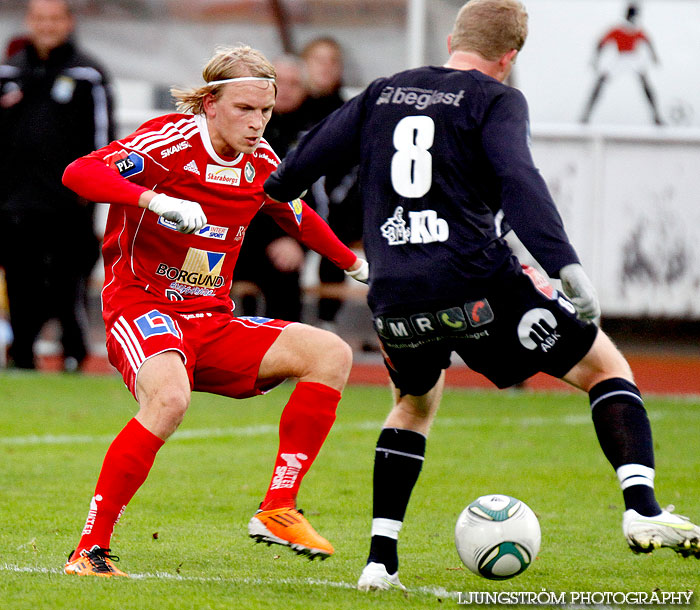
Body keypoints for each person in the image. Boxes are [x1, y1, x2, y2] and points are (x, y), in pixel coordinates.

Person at [264, 0, 700, 591]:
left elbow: (292, 174)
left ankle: (379, 562)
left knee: (413, 405)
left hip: (395, 295)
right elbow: (521, 183)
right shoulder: (497, 98)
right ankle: (643, 507)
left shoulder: (382, 92)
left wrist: (281, 195)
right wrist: (565, 267)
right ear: (510, 56)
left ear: (451, 39)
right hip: (477, 284)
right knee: (605, 367)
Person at [60, 44, 368, 577]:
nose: (257, 123)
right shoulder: (168, 142)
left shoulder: (264, 160)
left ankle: (277, 508)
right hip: (143, 307)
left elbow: (294, 214)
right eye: (245, 110)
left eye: (265, 111)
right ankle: (90, 550)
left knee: (330, 353)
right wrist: (152, 200)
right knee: (170, 399)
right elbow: (78, 173)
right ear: (209, 103)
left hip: (212, 319)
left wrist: (353, 264)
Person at [0, 0, 115, 371]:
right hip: (15, 203)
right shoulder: (8, 71)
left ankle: (74, 352)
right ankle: (22, 355)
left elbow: (104, 137)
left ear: (68, 22)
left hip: (70, 203)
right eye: (40, 18)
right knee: (20, 280)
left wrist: (94, 186)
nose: (47, 26)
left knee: (69, 280)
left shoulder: (88, 73)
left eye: (54, 18)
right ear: (29, 22)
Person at [231, 55, 311, 322]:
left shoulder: (315, 134)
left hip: (283, 237)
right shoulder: (237, 127)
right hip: (233, 233)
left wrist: (296, 240)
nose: (286, 90)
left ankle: (285, 357)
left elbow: (318, 197)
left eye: (294, 83)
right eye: (280, 83)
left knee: (285, 269)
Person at [299, 37, 363, 331]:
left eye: (332, 61)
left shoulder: (350, 113)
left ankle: (328, 322)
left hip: (340, 214)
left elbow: (354, 171)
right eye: (319, 60)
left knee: (333, 240)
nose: (326, 68)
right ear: (305, 65)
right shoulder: (289, 111)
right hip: (296, 210)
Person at [580, 3, 662, 125]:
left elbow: (648, 42)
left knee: (645, 85)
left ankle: (656, 116)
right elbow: (601, 43)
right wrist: (595, 59)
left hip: (633, 58)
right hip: (620, 58)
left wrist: (654, 56)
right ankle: (586, 115)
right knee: (600, 82)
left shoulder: (637, 30)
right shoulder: (618, 29)